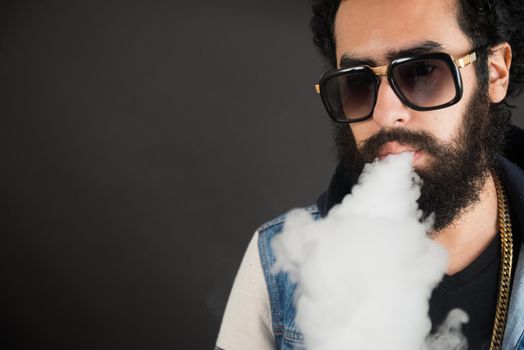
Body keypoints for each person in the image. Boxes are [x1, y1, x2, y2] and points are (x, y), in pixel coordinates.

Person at [216, 0, 524, 349]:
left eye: (423, 71)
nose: (385, 113)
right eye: (359, 82)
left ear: (495, 73)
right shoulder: (277, 266)